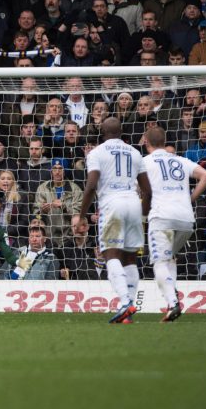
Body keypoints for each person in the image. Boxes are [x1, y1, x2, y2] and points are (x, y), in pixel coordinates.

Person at [72, 117, 151, 324]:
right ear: (121, 131)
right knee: (130, 258)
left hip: (112, 204)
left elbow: (90, 186)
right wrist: (142, 214)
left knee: (110, 254)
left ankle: (125, 302)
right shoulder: (135, 152)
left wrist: (81, 215)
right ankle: (129, 310)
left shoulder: (96, 153)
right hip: (134, 202)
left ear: (102, 131)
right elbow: (147, 190)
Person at [142, 126, 206, 322]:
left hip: (162, 217)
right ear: (164, 142)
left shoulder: (144, 162)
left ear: (146, 142)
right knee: (170, 258)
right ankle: (171, 302)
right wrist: (190, 199)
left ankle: (173, 303)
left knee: (159, 262)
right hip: (186, 220)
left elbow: (138, 189)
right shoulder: (180, 160)